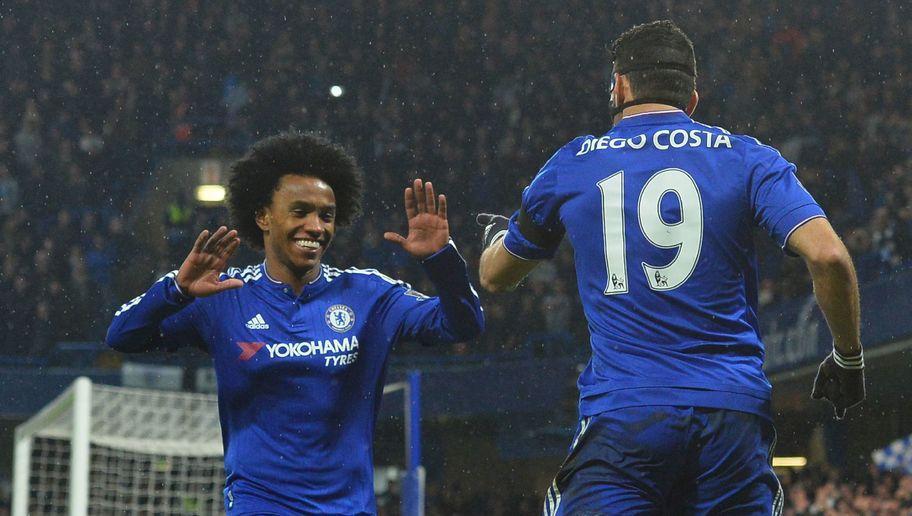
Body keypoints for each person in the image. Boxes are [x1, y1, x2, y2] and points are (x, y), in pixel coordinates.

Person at [477, 20, 864, 515]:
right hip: (730, 414)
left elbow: (496, 276)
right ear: (693, 98)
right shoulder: (748, 158)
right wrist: (848, 358)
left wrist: (493, 237)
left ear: (618, 86)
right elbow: (829, 256)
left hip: (626, 415)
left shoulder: (574, 163)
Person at [107, 131, 484, 514]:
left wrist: (442, 261)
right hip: (259, 505)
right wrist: (177, 289)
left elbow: (463, 325)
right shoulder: (222, 296)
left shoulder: (369, 295)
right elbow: (122, 335)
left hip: (348, 509)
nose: (316, 227)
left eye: (326, 215)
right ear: (263, 217)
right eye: (300, 211)